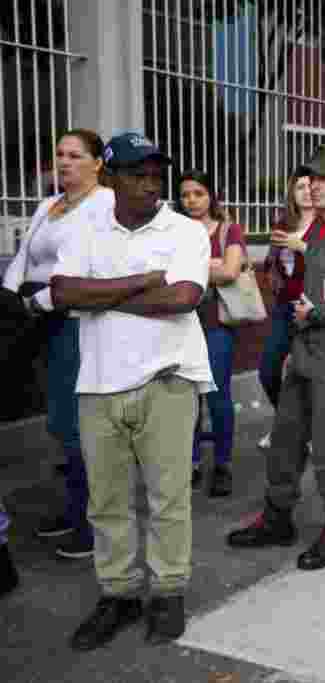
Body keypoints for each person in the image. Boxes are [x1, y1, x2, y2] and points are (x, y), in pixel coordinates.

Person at [50, 133, 214, 650]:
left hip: (167, 379)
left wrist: (100, 296)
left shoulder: (186, 231)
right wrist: (143, 279)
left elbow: (184, 297)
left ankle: (167, 592)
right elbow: (61, 292)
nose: (150, 184)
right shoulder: (84, 227)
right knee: (108, 501)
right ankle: (119, 594)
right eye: (137, 174)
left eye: (155, 174)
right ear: (112, 178)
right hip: (98, 383)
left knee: (168, 498)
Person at [226, 144, 325, 570]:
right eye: (311, 179)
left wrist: (320, 314)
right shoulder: (315, 232)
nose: (314, 186)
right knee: (285, 442)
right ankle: (278, 516)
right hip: (305, 358)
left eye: (323, 179)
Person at [2, 130, 114, 561]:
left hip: (73, 322)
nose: (64, 162)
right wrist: (11, 300)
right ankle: (72, 508)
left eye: (74, 155)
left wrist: (39, 301)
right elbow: (23, 257)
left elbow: (88, 271)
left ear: (96, 163)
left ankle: (91, 524)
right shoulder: (48, 205)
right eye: (60, 155)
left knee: (75, 424)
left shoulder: (103, 205)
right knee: (57, 421)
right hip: (35, 320)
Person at [180, 170, 246, 497]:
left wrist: (186, 268)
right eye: (186, 195)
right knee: (185, 397)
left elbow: (231, 271)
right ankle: (190, 462)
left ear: (211, 196)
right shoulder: (173, 230)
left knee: (217, 396)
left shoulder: (228, 229)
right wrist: (212, 266)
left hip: (217, 322)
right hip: (179, 323)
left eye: (198, 194)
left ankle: (223, 464)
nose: (191, 200)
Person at [259, 167, 316, 449]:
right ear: (292, 193)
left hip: (316, 310)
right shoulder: (284, 222)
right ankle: (286, 422)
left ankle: (301, 429)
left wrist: (302, 246)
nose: (306, 191)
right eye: (300, 187)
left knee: (307, 374)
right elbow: (273, 265)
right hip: (285, 307)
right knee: (268, 368)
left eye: (310, 185)